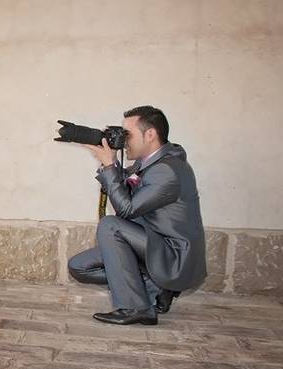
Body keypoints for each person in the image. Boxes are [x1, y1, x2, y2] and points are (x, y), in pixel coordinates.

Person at [68, 106, 206, 325]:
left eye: (128, 134)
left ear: (150, 134)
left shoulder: (167, 169)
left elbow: (127, 210)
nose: (124, 140)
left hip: (173, 256)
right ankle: (155, 287)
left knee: (110, 225)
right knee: (78, 267)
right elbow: (125, 190)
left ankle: (136, 306)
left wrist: (110, 165)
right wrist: (98, 148)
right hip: (152, 244)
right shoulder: (150, 163)